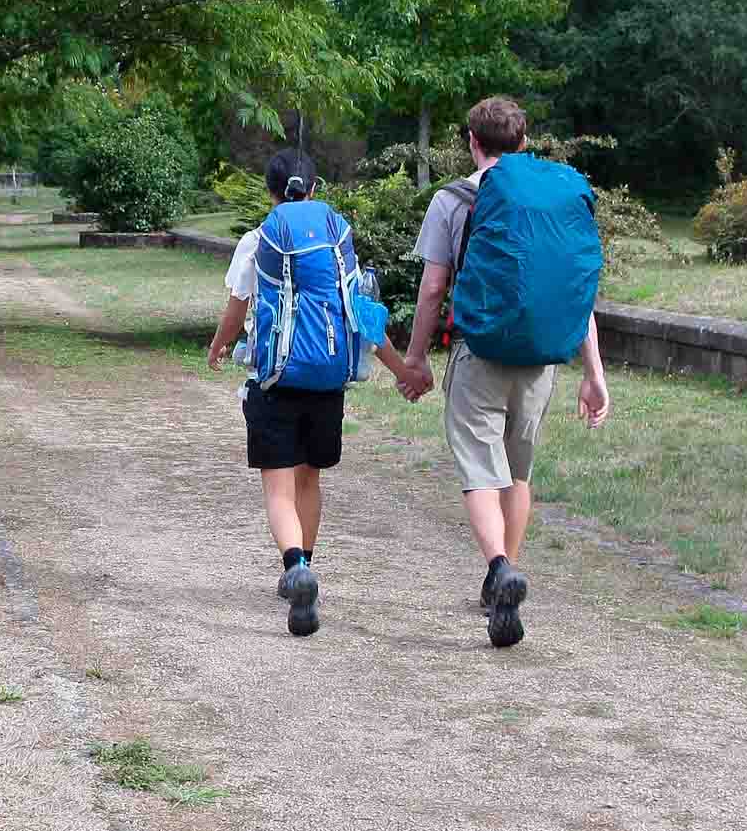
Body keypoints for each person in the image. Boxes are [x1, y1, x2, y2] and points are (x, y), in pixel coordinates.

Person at [401, 96, 612, 648]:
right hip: (540, 360)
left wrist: (416, 357)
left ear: (472, 142)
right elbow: (575, 292)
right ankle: (505, 577)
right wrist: (594, 373)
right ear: (524, 142)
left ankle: (498, 567)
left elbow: (433, 288)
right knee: (517, 473)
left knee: (479, 469)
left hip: (479, 352)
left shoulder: (454, 200)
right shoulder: (553, 199)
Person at [208, 148, 428, 637]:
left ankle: (294, 568)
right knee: (309, 481)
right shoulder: (335, 243)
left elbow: (237, 310)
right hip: (328, 382)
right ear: (314, 189)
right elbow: (360, 315)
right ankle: (306, 561)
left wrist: (219, 345)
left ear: (270, 192)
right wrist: (402, 370)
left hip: (273, 382)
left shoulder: (256, 240)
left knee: (278, 488)